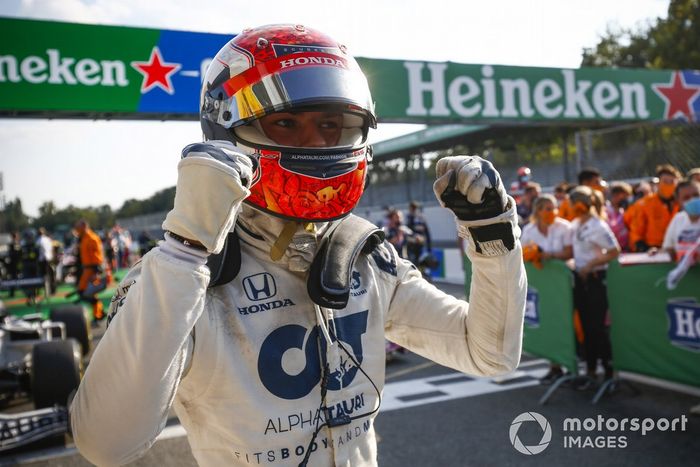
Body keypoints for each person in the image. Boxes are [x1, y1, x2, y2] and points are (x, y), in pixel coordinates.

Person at [70, 24, 526, 467]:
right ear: (226, 131)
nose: (317, 143)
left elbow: (489, 353)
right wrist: (185, 250)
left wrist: (492, 235)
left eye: (332, 124)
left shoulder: (361, 255)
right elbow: (106, 444)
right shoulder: (183, 276)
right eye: (285, 123)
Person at [569, 186, 620, 389]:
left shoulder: (597, 225)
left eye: (573, 204)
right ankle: (590, 371)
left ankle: (609, 372)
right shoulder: (576, 224)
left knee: (598, 327)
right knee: (586, 326)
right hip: (582, 280)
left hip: (596, 278)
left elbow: (614, 250)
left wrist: (591, 265)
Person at [520, 194, 574, 384]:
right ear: (538, 211)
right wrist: (532, 255)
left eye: (555, 208)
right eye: (548, 209)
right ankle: (555, 366)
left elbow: (570, 251)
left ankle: (572, 365)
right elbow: (522, 252)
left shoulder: (565, 227)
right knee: (549, 320)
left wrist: (546, 255)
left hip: (565, 284)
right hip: (542, 285)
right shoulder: (529, 230)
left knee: (566, 321)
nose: (553, 212)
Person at [630, 164, 682, 252]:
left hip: (678, 248)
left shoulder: (682, 203)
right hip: (653, 250)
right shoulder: (644, 204)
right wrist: (644, 248)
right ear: (658, 183)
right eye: (665, 181)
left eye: (672, 181)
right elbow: (636, 232)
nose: (669, 185)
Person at [660, 180, 700, 262]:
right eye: (686, 197)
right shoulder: (678, 219)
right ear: (678, 201)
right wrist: (657, 253)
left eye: (696, 195)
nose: (693, 200)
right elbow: (669, 249)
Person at [75, 219, 105, 323]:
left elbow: (97, 256)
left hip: (92, 269)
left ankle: (99, 314)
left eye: (78, 227)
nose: (76, 230)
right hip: (86, 269)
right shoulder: (84, 238)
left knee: (87, 294)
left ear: (84, 226)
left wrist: (96, 272)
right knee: (86, 293)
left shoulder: (91, 238)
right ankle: (99, 313)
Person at [605, 182, 632, 251]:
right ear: (615, 195)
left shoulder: (622, 211)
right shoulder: (605, 211)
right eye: (624, 196)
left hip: (626, 249)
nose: (625, 199)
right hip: (611, 250)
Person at [405, 201, 432, 266]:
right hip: (411, 245)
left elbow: (427, 233)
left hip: (420, 245)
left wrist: (429, 247)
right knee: (412, 263)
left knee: (421, 264)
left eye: (414, 209)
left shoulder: (421, 218)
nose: (412, 211)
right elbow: (407, 231)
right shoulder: (409, 218)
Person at [36, 227, 56, 295]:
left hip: (43, 260)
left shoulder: (38, 240)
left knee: (43, 276)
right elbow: (52, 249)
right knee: (51, 275)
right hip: (49, 259)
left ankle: (43, 291)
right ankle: (52, 290)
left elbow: (39, 251)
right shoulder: (48, 239)